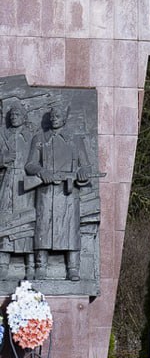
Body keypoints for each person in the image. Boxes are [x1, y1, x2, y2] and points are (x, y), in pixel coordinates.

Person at [24, 103, 92, 280]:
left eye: (58, 116)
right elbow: (30, 164)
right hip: (46, 191)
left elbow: (85, 165)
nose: (54, 119)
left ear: (64, 119)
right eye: (52, 116)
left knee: (70, 229)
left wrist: (83, 172)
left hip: (68, 192)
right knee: (43, 228)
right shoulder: (40, 138)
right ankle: (41, 266)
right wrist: (41, 171)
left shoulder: (75, 140)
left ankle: (73, 268)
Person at [0, 105, 34, 280]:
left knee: (27, 222)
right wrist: (3, 160)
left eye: (17, 114)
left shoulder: (30, 137)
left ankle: (31, 266)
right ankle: (3, 264)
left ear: (24, 117)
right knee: (5, 220)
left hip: (25, 184)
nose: (14, 117)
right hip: (7, 182)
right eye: (11, 114)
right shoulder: (3, 135)